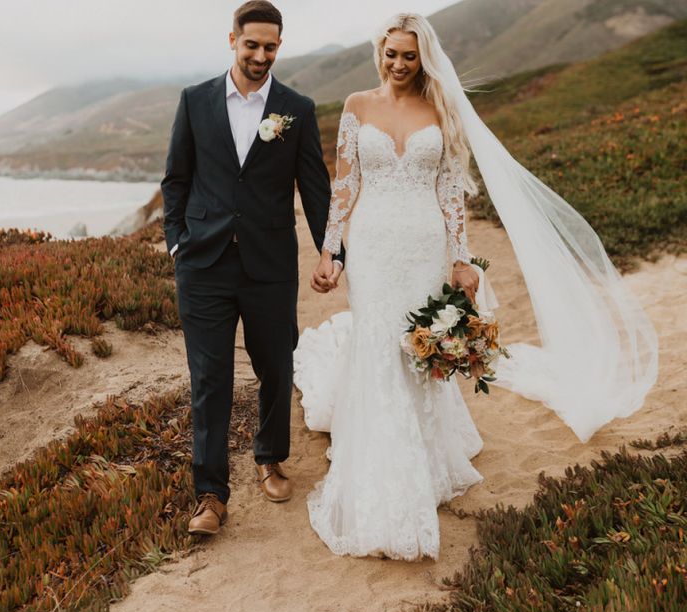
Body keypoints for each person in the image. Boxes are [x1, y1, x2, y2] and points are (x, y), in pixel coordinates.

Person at [294, 13, 658, 560]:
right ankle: (379, 460)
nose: (397, 64)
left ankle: (423, 454)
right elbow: (345, 186)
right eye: (390, 53)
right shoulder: (356, 106)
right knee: (376, 339)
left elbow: (449, 194)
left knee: (414, 346)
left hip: (421, 245)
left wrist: (460, 260)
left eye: (408, 56)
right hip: (370, 247)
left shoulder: (440, 110)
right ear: (379, 53)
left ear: (423, 59)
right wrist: (332, 252)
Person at [161, 0, 344, 536]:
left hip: (269, 263)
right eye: (251, 45)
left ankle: (270, 456)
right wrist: (177, 244)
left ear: (279, 47)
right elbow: (176, 179)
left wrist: (330, 251)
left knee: (276, 365)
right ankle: (211, 495)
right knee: (210, 379)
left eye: (270, 46)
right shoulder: (194, 102)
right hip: (204, 265)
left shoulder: (297, 108)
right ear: (233, 41)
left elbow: (316, 189)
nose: (260, 55)